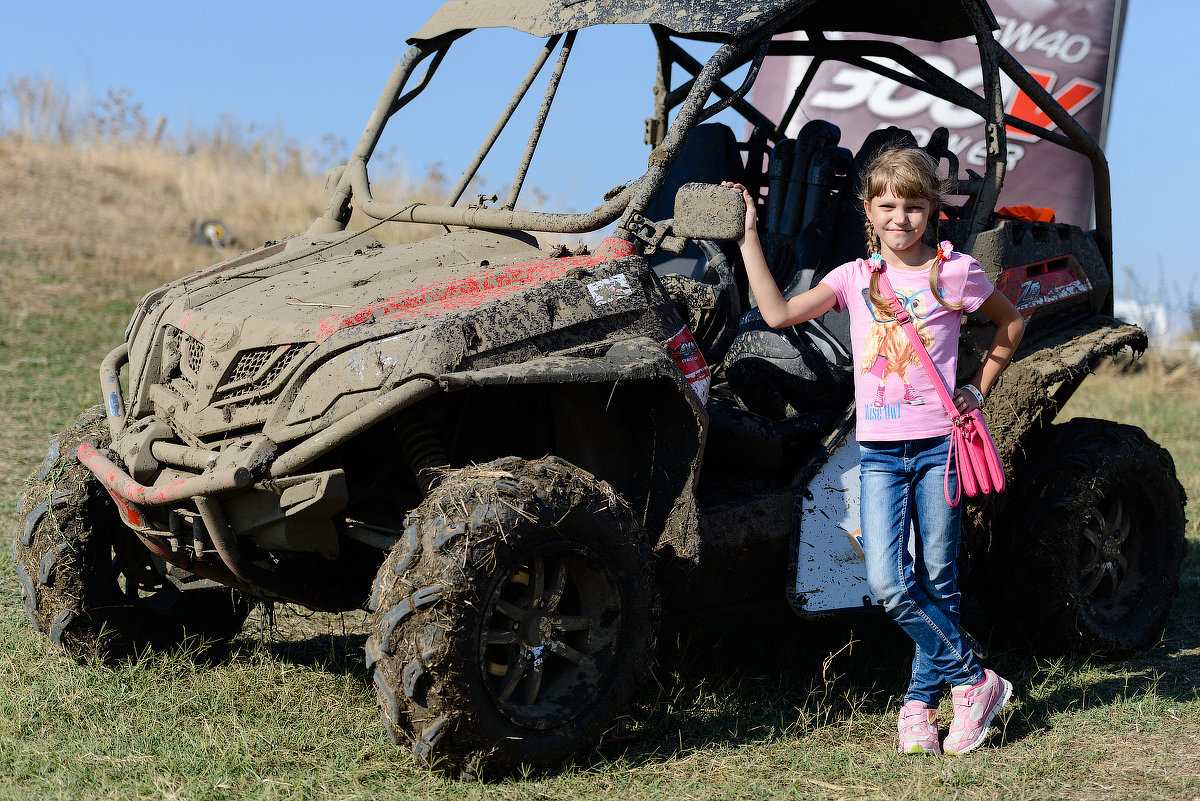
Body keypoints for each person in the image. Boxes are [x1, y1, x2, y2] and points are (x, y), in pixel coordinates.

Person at [722, 146, 1025, 756]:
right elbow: (776, 314)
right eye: (887, 205)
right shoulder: (852, 279)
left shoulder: (955, 273)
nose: (901, 218)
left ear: (932, 211)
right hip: (880, 453)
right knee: (890, 583)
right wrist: (748, 236)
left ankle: (919, 707)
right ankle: (975, 679)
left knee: (939, 581)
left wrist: (977, 389)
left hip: (939, 446)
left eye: (914, 205)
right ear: (868, 210)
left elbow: (1010, 324)